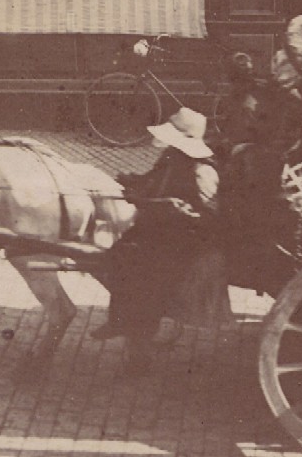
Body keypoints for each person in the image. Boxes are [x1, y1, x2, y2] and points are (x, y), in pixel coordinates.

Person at [90, 107, 222, 359]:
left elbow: (212, 217)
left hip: (183, 241)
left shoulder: (203, 171)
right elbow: (152, 181)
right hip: (158, 230)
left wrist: (181, 210)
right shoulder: (171, 157)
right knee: (119, 253)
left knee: (145, 275)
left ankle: (139, 344)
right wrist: (131, 183)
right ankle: (120, 320)